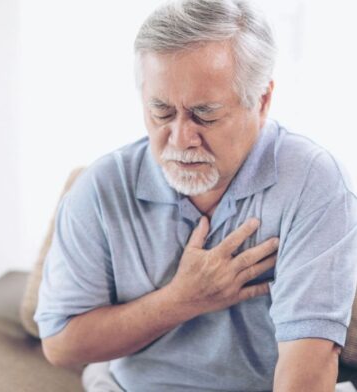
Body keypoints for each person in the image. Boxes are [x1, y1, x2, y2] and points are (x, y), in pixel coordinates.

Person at [34, 0, 357, 390]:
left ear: (263, 100)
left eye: (205, 114)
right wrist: (181, 300)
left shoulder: (312, 181)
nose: (181, 139)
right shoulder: (101, 188)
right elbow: (60, 346)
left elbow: (309, 363)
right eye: (162, 112)